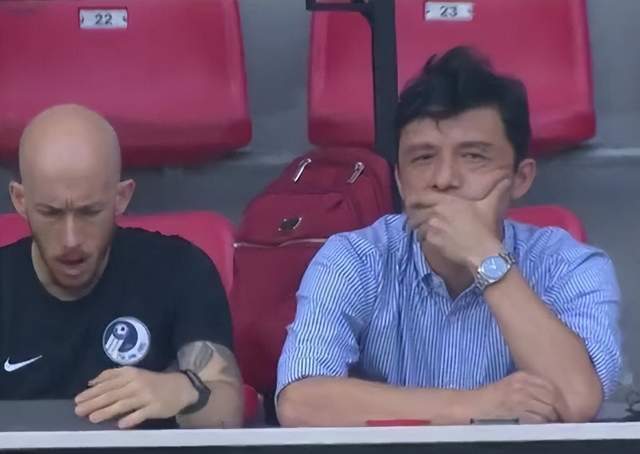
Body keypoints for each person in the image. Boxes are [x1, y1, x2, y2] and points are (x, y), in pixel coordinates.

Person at [276, 47, 621, 426]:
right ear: (400, 181)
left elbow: (576, 400)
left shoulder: (568, 264)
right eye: (423, 158)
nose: (444, 179)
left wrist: (485, 257)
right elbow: (299, 402)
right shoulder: (354, 257)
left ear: (521, 178)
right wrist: (474, 407)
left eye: (473, 156)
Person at [0, 105, 243, 429]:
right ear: (20, 200)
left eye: (90, 212)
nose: (71, 239)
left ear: (121, 197)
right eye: (51, 213)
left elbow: (228, 411)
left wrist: (183, 391)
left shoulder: (179, 269)